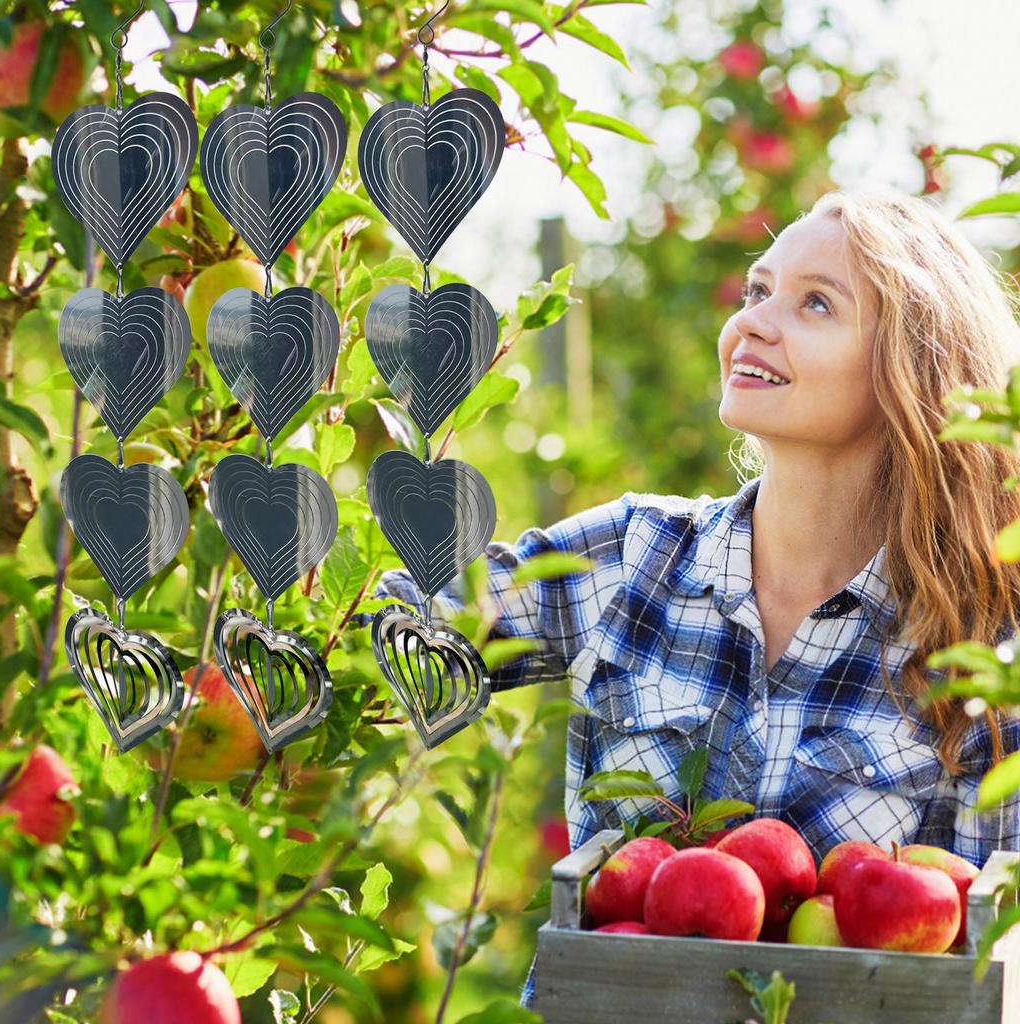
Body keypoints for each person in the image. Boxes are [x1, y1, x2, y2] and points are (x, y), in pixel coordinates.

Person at [364, 189, 1020, 1010]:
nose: (752, 322)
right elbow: (396, 634)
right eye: (756, 291)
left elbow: (976, 979)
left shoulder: (979, 652)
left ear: (910, 367)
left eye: (815, 302)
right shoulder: (633, 557)